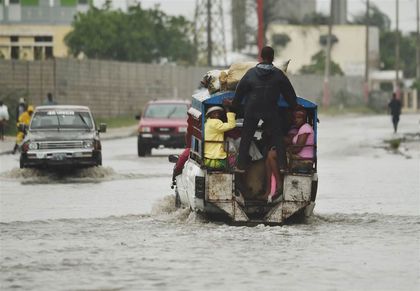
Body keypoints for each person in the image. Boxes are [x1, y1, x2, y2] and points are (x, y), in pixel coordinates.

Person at [230, 46, 298, 175]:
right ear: (272, 57)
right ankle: (283, 166)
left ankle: (241, 166)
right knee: (278, 138)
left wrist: (233, 104)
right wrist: (294, 105)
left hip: (252, 109)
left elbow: (239, 91)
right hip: (270, 110)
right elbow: (289, 93)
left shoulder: (250, 73)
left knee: (246, 137)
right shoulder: (279, 74)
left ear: (260, 56)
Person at [264, 109, 314, 203]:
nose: (296, 120)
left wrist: (284, 150)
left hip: (302, 159)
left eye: (299, 118)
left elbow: (297, 149)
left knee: (271, 155)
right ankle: (269, 190)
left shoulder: (305, 128)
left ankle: (279, 185)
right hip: (295, 157)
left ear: (304, 119)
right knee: (269, 158)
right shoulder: (300, 129)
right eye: (295, 117)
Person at [203, 105, 236, 170]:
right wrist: (228, 110)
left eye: (218, 113)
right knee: (234, 157)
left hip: (208, 152)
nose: (217, 115)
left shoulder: (207, 122)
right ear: (210, 115)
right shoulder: (216, 122)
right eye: (214, 113)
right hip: (215, 154)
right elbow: (231, 125)